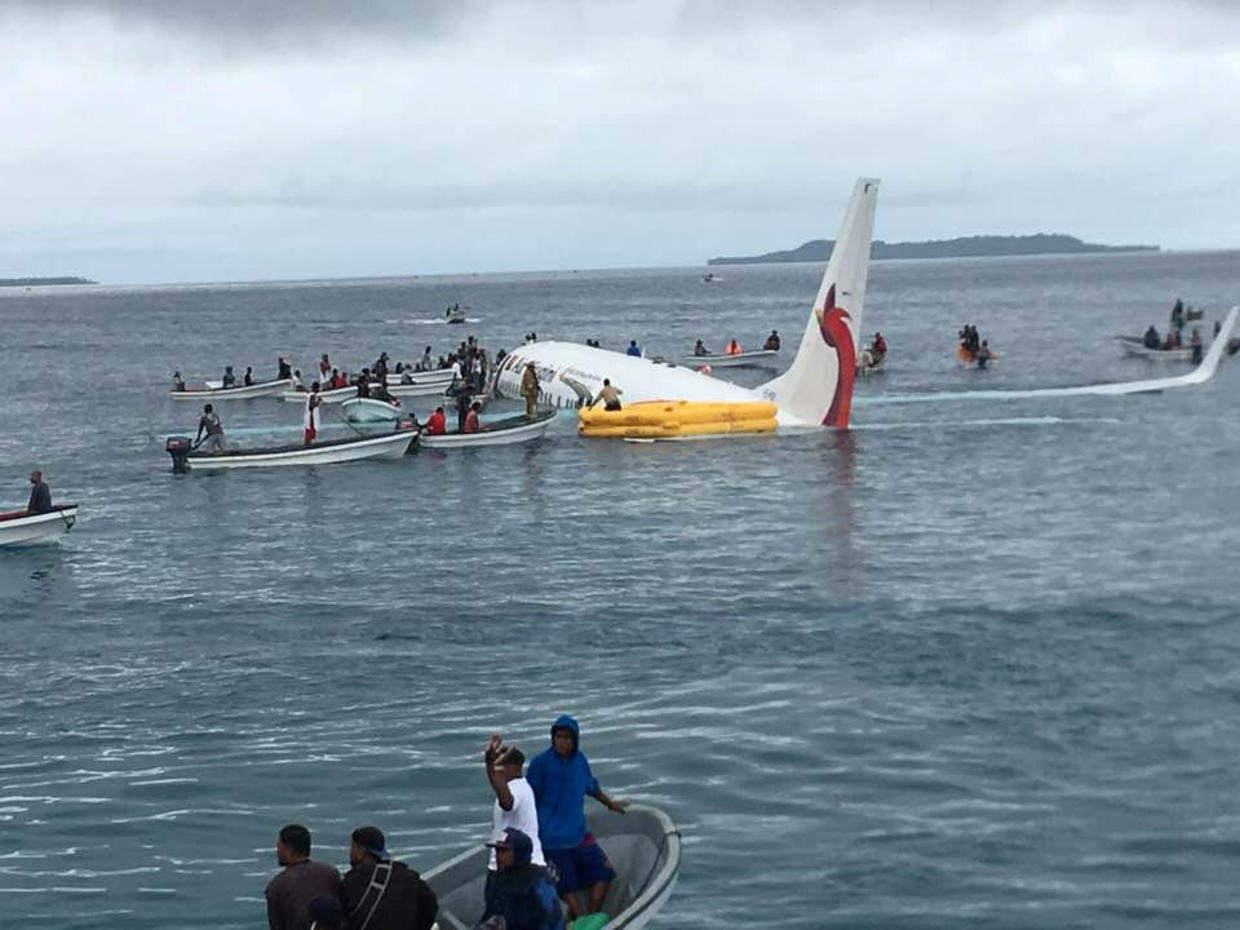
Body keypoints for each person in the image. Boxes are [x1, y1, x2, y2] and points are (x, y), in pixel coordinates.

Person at [526, 715, 628, 921]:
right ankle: (579, 921)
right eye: (558, 737)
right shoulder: (540, 764)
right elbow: (527, 799)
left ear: (575, 740)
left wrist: (611, 805)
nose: (562, 742)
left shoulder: (580, 761)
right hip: (551, 839)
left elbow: (592, 787)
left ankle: (590, 918)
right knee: (565, 886)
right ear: (552, 738)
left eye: (567, 738)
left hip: (579, 835)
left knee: (604, 874)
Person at [340, 826, 437, 930]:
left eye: (352, 847)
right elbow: (431, 906)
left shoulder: (351, 881)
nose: (350, 853)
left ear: (361, 851)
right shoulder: (410, 878)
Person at [484, 737, 546, 875]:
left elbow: (507, 803)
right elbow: (497, 785)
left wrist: (494, 770)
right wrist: (489, 764)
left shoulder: (516, 787)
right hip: (509, 865)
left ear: (513, 767)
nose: (496, 769)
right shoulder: (517, 787)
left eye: (500, 765)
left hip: (521, 869)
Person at [479, 828, 563, 930]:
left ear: (519, 852)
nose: (498, 856)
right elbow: (492, 912)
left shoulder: (539, 878)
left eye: (503, 851)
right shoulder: (498, 878)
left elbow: (552, 917)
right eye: (497, 851)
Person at [265, 824, 343, 930]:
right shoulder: (331, 873)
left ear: (289, 850)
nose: (277, 851)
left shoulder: (277, 886)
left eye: (279, 846)